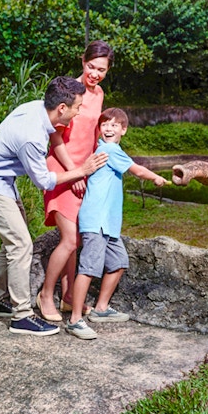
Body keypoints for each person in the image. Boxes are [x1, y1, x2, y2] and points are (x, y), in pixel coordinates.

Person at [0, 77, 108, 336]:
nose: (79, 112)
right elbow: (44, 181)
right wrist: (81, 171)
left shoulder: (37, 107)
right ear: (62, 109)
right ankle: (21, 315)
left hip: (1, 181)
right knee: (21, 244)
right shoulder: (31, 136)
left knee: (12, 240)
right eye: (77, 107)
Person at [65, 108, 169, 340]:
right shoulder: (110, 150)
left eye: (114, 125)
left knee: (119, 262)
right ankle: (74, 320)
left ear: (124, 129)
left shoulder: (112, 150)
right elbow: (137, 170)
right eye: (105, 125)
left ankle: (101, 308)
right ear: (99, 129)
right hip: (96, 220)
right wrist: (156, 177)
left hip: (108, 224)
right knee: (89, 268)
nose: (109, 128)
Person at [38, 40, 115, 322]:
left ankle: (70, 297)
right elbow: (55, 135)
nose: (95, 74)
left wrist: (95, 169)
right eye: (91, 66)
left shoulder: (100, 94)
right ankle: (47, 295)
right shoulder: (68, 89)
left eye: (101, 70)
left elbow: (94, 135)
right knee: (70, 239)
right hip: (63, 168)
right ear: (83, 60)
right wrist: (76, 171)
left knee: (78, 239)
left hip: (85, 171)